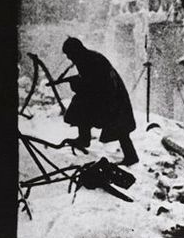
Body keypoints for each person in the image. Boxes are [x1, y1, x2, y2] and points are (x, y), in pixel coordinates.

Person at [58, 38, 139, 166]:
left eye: (69, 54)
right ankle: (84, 139)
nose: (69, 58)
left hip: (112, 97)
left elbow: (93, 84)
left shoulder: (88, 60)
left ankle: (131, 156)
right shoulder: (87, 58)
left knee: (119, 126)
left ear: (75, 51)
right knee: (81, 105)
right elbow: (90, 82)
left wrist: (76, 84)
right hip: (106, 95)